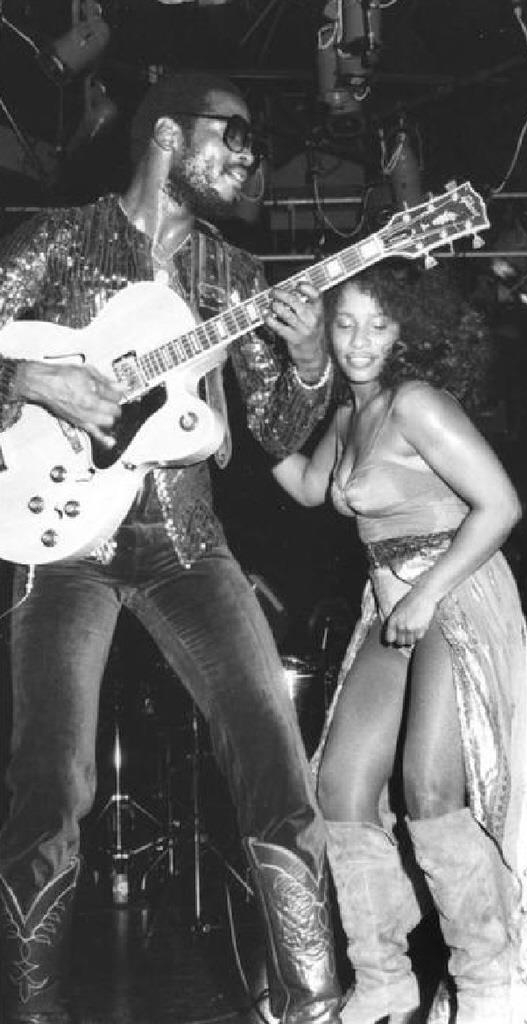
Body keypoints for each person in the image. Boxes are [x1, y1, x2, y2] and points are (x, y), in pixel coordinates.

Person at [0, 71, 342, 1024]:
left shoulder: (234, 274)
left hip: (186, 538)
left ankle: (313, 1002)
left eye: (253, 147)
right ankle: (33, 1012)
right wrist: (37, 379)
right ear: (166, 135)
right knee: (53, 782)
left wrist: (310, 357)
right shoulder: (60, 240)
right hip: (59, 539)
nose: (248, 159)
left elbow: (278, 426)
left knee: (275, 759)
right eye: (233, 136)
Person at [272, 261, 527, 1024]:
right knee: (339, 788)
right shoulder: (347, 417)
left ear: (406, 332)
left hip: (454, 590)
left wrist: (427, 595)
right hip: (389, 605)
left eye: (379, 324)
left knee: (430, 789)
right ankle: (384, 979)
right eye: (344, 323)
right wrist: (220, 422)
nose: (359, 341)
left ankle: (491, 985)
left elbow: (501, 505)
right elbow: (305, 486)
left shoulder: (416, 402)